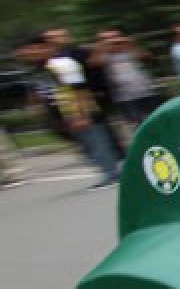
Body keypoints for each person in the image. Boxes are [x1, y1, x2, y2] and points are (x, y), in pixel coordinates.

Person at [19, 34, 121, 189]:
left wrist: (81, 114)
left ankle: (112, 174)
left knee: (97, 142)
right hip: (65, 114)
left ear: (42, 47)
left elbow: (79, 88)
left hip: (79, 111)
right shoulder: (41, 68)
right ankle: (108, 172)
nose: (27, 55)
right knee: (88, 145)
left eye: (29, 51)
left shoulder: (62, 63)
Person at [91, 30, 160, 128]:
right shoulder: (102, 54)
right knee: (139, 126)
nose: (112, 40)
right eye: (106, 38)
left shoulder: (130, 49)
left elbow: (146, 57)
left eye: (115, 36)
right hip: (124, 97)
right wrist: (102, 48)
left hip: (148, 91)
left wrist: (130, 45)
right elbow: (94, 63)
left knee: (159, 120)